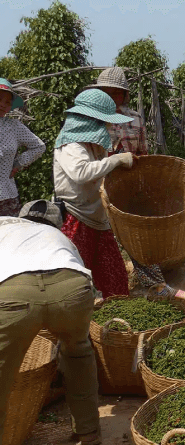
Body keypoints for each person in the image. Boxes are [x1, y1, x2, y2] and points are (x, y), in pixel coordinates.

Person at [0, 200, 102, 445]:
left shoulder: (3, 224)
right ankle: (88, 431)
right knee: (78, 352)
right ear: (56, 223)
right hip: (71, 287)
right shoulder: (58, 235)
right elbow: (80, 271)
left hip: (15, 291)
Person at [87, 67, 185, 300]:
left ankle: (154, 286)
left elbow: (143, 155)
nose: (112, 98)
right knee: (100, 237)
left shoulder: (134, 119)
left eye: (117, 93)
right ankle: (99, 290)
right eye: (107, 93)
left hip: (129, 187)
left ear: (124, 96)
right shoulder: (91, 120)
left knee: (136, 238)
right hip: (98, 185)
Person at [53, 89, 136, 299]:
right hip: (75, 218)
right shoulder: (71, 144)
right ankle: (80, 329)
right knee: (75, 283)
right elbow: (81, 173)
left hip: (98, 218)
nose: (108, 127)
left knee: (115, 278)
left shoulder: (94, 145)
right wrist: (116, 161)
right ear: (92, 120)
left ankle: (115, 324)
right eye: (105, 122)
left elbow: (100, 172)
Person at [0, 78, 46, 216]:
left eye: (7, 102)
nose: (2, 104)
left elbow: (39, 146)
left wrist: (18, 164)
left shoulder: (14, 126)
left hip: (6, 198)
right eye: (0, 99)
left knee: (9, 236)